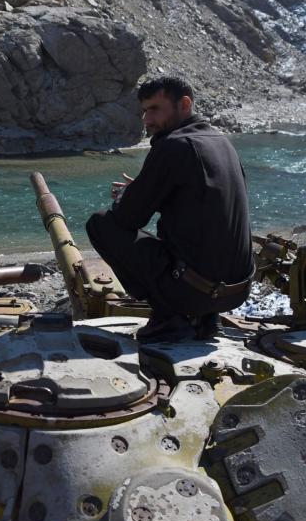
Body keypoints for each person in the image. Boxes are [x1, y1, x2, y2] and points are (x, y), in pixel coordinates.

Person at [86, 76, 254, 340]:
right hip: (236, 292)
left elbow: (127, 218)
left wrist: (129, 196)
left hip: (193, 292)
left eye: (154, 109)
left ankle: (170, 316)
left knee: (100, 224)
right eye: (143, 111)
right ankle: (206, 319)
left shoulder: (173, 145)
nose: (146, 119)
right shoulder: (221, 142)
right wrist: (148, 190)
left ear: (184, 104)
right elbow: (201, 203)